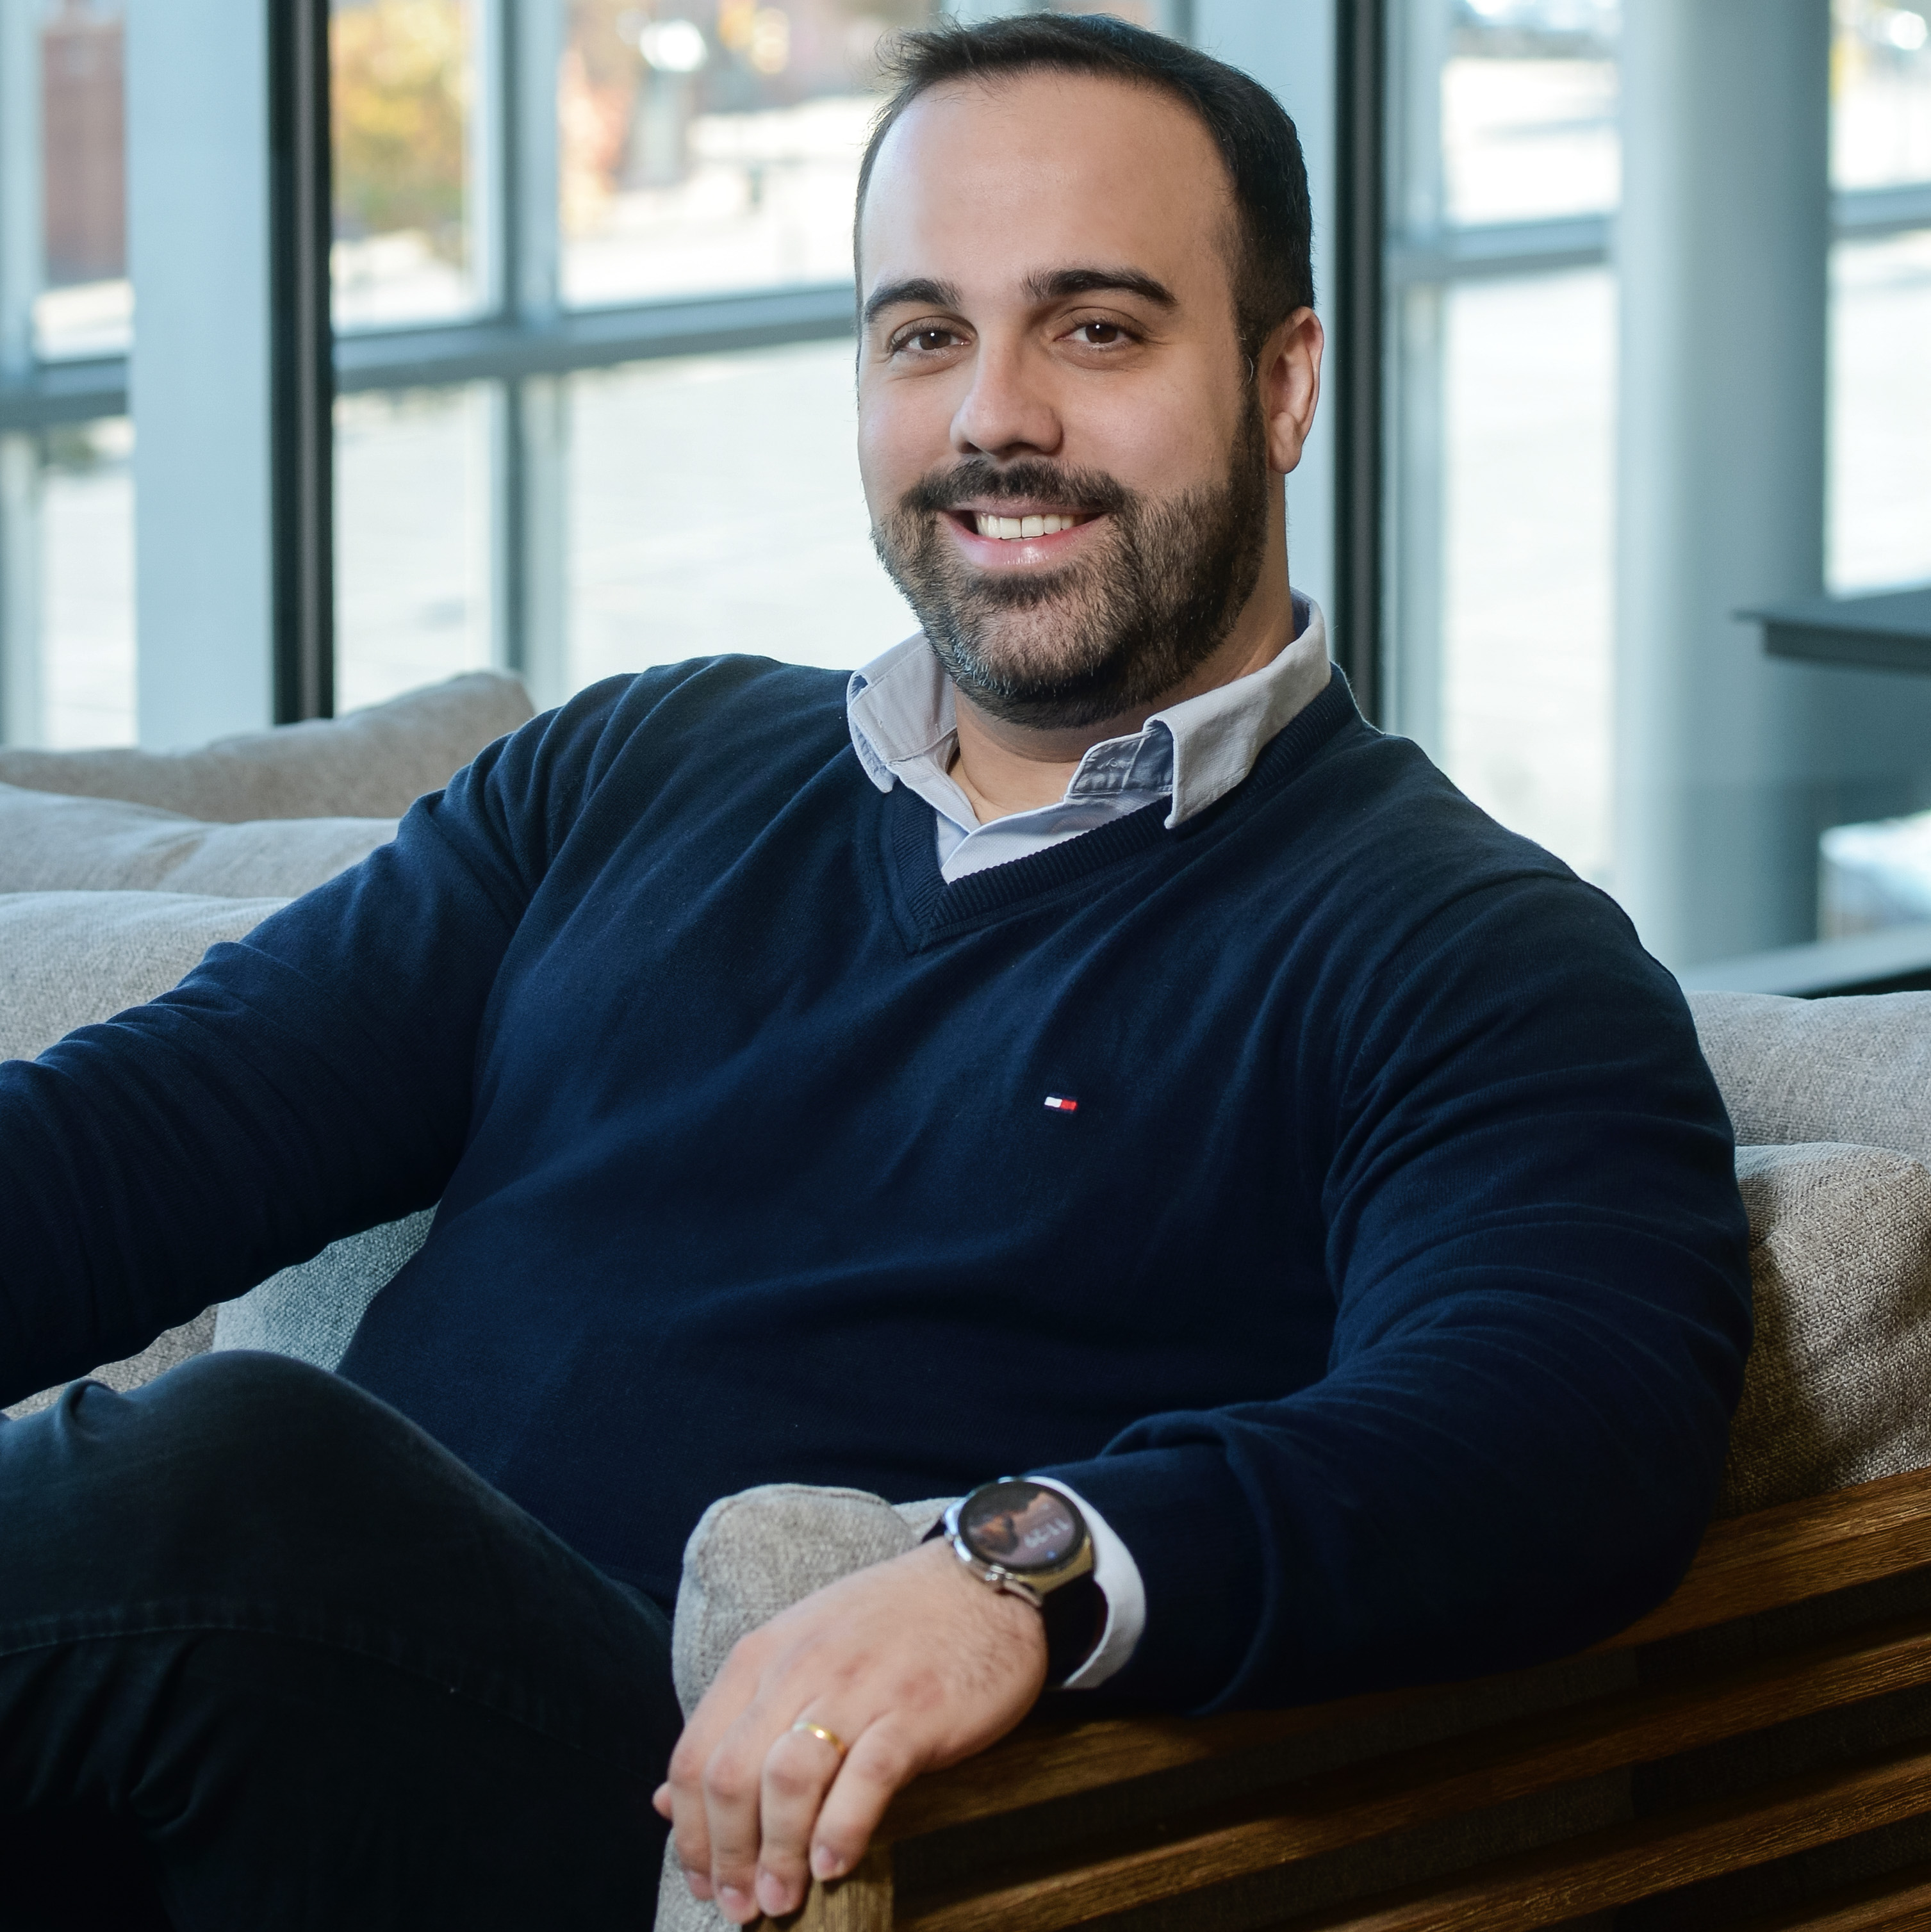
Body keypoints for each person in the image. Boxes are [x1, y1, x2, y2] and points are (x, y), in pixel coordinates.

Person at [0, 15, 1751, 1931]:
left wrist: (1017, 1566)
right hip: (225, 1763)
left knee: (234, 1477)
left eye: (1095, 328)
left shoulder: (1466, 948)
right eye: (924, 334)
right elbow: (140, 1143)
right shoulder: (639, 768)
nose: (995, 416)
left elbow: (1560, 1423)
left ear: (1282, 380)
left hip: (694, 1833)